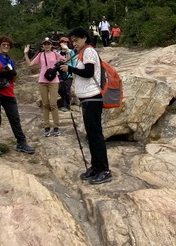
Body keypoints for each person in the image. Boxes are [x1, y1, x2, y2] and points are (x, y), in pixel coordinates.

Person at [59, 27, 112, 185]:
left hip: (93, 98)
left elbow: (89, 72)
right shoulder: (82, 53)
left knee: (95, 135)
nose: (74, 43)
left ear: (84, 38)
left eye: (76, 40)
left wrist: (70, 68)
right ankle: (96, 167)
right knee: (92, 134)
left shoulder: (89, 51)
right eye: (72, 41)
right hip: (87, 99)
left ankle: (104, 170)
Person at [0, 35, 35, 157]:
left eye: (8, 45)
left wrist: (12, 74)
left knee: (15, 118)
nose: (6, 46)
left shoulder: (10, 60)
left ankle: (21, 142)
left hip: (8, 91)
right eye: (3, 44)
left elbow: (14, 78)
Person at [24, 37, 65, 136]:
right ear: (43, 45)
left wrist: (67, 50)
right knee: (45, 104)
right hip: (42, 81)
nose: (47, 45)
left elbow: (66, 60)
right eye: (45, 44)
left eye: (48, 44)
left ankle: (56, 126)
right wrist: (26, 53)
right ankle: (47, 126)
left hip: (54, 81)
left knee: (53, 104)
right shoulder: (40, 55)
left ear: (51, 45)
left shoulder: (55, 54)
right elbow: (30, 64)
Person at [57, 36, 77, 112]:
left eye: (66, 43)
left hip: (69, 73)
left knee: (66, 89)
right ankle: (68, 99)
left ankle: (66, 105)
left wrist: (67, 50)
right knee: (59, 88)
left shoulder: (71, 52)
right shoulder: (58, 53)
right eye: (63, 43)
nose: (64, 44)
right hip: (60, 73)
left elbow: (70, 62)